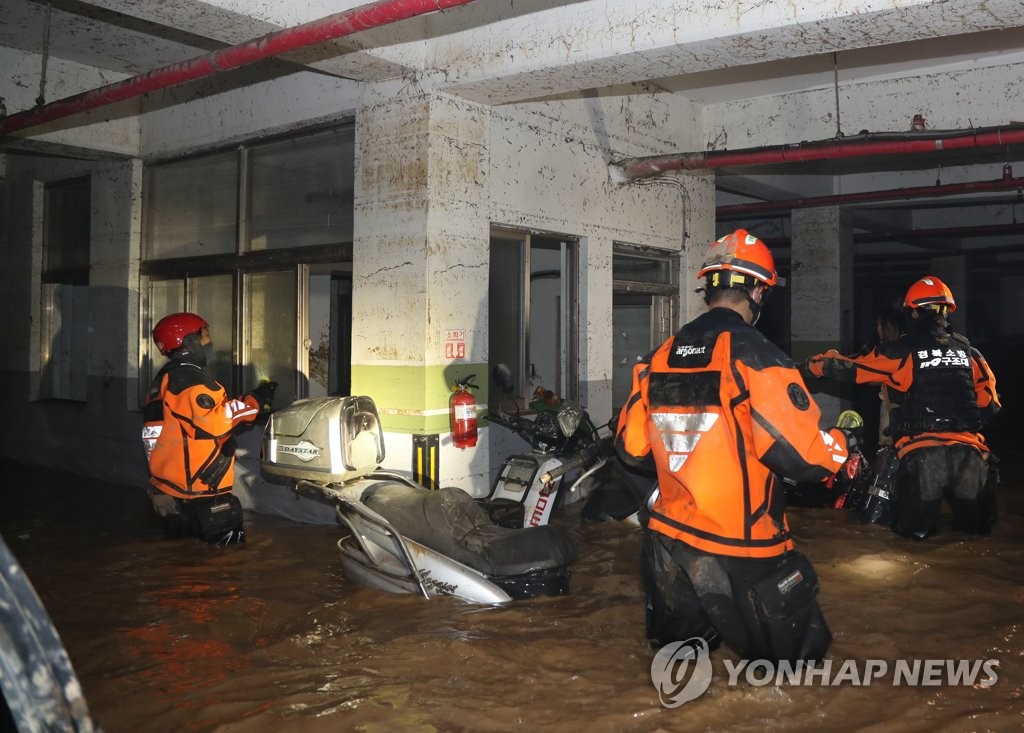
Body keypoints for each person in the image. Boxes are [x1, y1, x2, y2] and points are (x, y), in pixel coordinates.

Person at [615, 229, 851, 664]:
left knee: (678, 677)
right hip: (743, 550)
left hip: (668, 544)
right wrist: (841, 443)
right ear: (759, 290)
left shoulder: (658, 356)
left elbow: (631, 450)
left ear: (709, 287)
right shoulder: (757, 356)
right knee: (799, 675)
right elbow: (804, 459)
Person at [803, 275, 1001, 539]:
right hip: (971, 458)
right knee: (974, 542)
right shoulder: (971, 354)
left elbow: (852, 366)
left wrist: (809, 368)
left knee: (911, 542)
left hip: (923, 457)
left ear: (914, 313)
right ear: (946, 313)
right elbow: (991, 405)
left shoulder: (900, 351)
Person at [141, 312, 278, 545]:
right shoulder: (189, 380)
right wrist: (254, 402)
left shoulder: (165, 379)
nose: (209, 342)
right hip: (199, 495)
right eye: (205, 336)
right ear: (189, 341)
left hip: (168, 493)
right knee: (223, 569)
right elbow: (214, 423)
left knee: (180, 565)